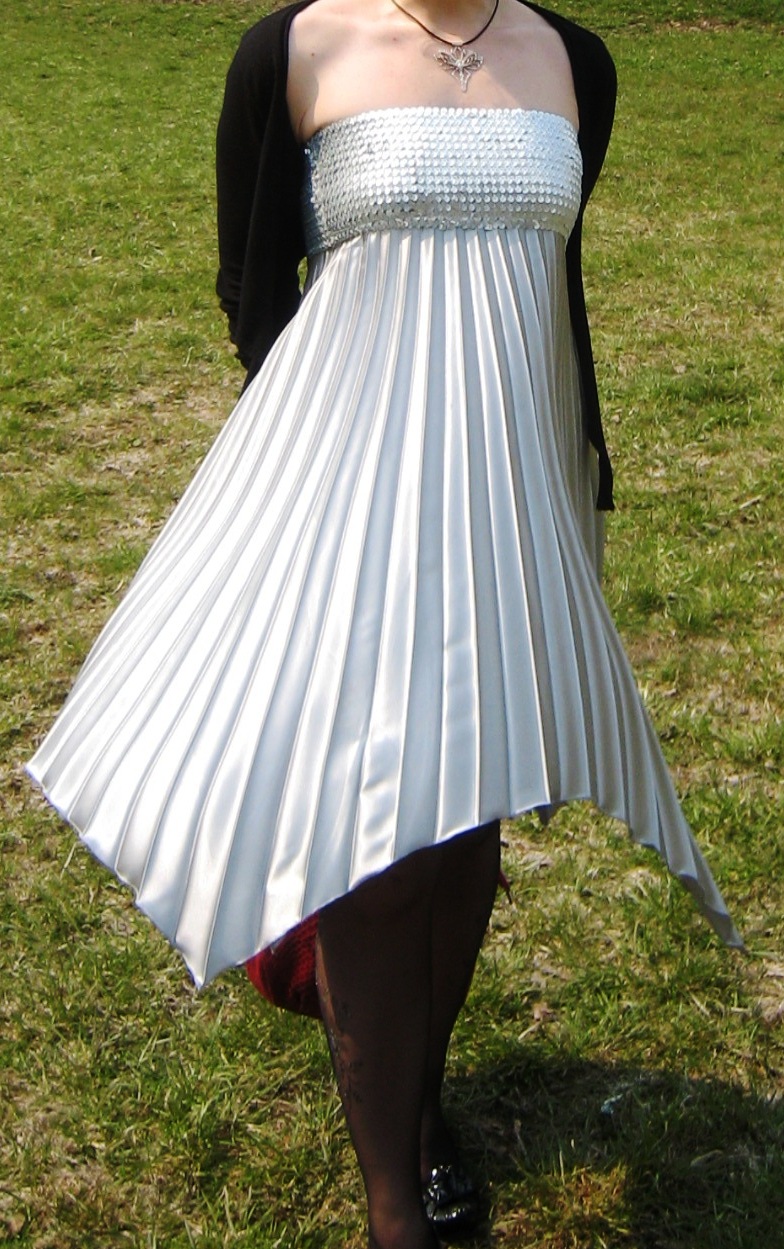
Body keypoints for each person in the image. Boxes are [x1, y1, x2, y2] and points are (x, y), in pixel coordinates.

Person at [27, 1, 742, 1246]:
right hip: (350, 495)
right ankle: (392, 1207)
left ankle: (417, 1103)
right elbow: (253, 292)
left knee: (465, 826)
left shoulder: (574, 60)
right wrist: (335, 475)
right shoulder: (294, 50)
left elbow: (541, 293)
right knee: (379, 840)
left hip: (508, 492)